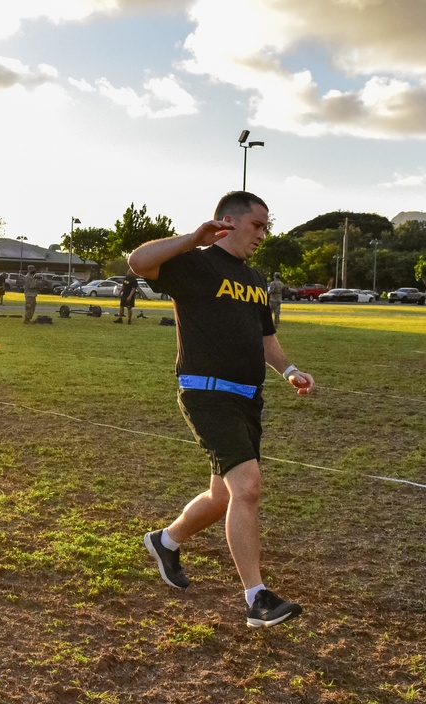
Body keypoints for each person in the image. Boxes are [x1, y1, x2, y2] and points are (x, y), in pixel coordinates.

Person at [128, 191, 315, 629]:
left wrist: (288, 369)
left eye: (267, 227)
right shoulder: (194, 263)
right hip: (206, 393)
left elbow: (264, 336)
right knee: (247, 487)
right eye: (258, 225)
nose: (263, 235)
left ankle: (166, 541)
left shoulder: (254, 277)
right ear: (228, 222)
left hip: (247, 397)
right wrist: (193, 238)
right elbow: (138, 262)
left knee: (223, 496)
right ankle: (257, 598)